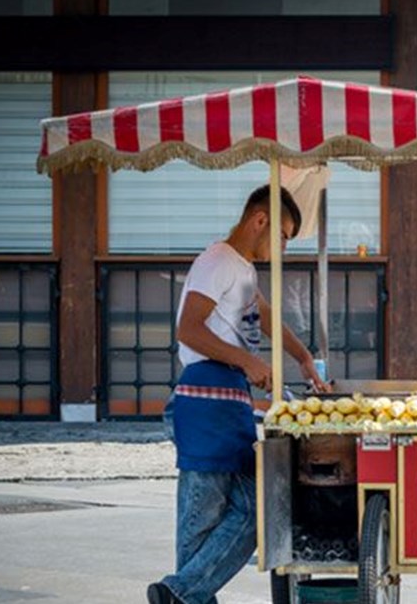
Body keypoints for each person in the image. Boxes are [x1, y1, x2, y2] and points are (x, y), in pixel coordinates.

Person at [149, 185, 330, 604]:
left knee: (256, 507)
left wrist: (302, 356)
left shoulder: (244, 270)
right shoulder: (217, 261)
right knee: (201, 522)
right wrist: (248, 362)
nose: (284, 245)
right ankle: (177, 594)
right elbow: (189, 329)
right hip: (204, 400)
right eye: (283, 234)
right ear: (259, 221)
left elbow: (266, 318)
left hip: (229, 402)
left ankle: (175, 593)